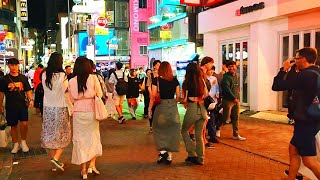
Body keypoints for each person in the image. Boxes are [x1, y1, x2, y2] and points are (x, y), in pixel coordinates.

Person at [272, 47, 320, 179]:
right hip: (312, 120)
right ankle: (292, 177)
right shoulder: (316, 72)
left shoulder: (306, 75)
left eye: (296, 58)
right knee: (293, 150)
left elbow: (277, 85)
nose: (295, 61)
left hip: (305, 122)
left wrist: (284, 69)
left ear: (303, 59)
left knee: (309, 161)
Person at [68, 57, 103, 179]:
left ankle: (83, 170)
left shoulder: (71, 81)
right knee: (93, 138)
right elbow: (100, 94)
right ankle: (91, 165)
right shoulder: (93, 78)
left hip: (78, 112)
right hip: (92, 111)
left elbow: (71, 98)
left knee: (80, 140)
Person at [41, 52, 71, 171]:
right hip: (60, 108)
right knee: (64, 134)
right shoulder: (62, 76)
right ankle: (56, 158)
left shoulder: (44, 74)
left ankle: (55, 161)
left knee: (50, 135)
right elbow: (65, 90)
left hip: (48, 108)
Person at [148, 61, 180, 164]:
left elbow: (153, 97)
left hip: (161, 107)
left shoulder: (156, 80)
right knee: (171, 130)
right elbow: (178, 97)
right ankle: (169, 155)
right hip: (173, 107)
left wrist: (149, 109)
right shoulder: (175, 80)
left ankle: (163, 152)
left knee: (159, 129)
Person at [0, 58, 34, 153]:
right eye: (12, 65)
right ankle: (15, 144)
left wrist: (31, 99)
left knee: (24, 124)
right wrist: (0, 105)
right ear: (9, 66)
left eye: (16, 65)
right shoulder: (4, 79)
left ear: (18, 66)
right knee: (13, 126)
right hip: (10, 106)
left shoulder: (23, 78)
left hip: (22, 105)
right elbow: (1, 93)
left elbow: (28, 90)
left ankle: (23, 142)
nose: (14, 67)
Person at [181, 63, 208, 165]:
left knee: (184, 130)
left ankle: (192, 153)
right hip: (203, 109)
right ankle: (201, 157)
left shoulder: (187, 82)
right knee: (199, 134)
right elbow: (206, 94)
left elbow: (185, 99)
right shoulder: (202, 80)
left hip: (192, 108)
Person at [217, 61, 246, 141]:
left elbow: (236, 86)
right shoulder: (225, 77)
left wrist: (237, 96)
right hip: (228, 100)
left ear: (235, 67)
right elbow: (226, 89)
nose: (231, 68)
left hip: (236, 100)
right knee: (226, 117)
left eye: (232, 66)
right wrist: (234, 98)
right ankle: (217, 127)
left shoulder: (236, 76)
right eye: (229, 66)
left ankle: (235, 134)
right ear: (227, 67)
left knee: (236, 117)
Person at [148, 60, 161, 133]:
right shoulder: (151, 74)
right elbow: (148, 85)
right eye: (158, 65)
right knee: (152, 108)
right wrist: (151, 93)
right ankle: (151, 126)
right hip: (153, 94)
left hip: (160, 94)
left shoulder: (162, 74)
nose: (159, 66)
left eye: (160, 65)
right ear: (154, 66)